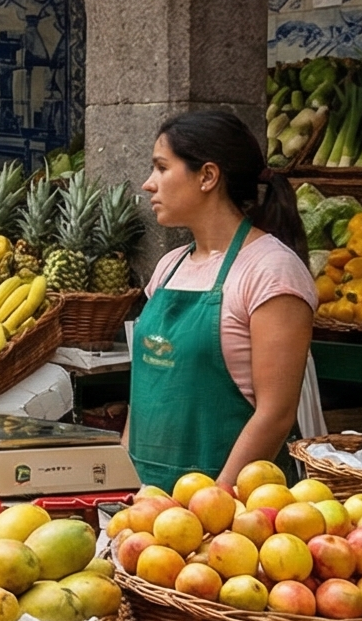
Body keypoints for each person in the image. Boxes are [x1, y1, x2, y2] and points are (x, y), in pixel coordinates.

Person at [128, 110, 316, 492]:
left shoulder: (270, 270)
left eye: (162, 168)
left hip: (236, 515)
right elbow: (142, 399)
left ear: (208, 176)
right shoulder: (169, 267)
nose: (149, 184)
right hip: (148, 502)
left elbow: (276, 414)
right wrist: (122, 486)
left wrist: (217, 501)